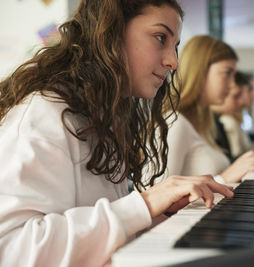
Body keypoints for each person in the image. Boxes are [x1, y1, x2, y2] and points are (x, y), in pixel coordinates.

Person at [0, 1, 234, 266]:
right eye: (160, 38)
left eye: (175, 46)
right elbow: (10, 249)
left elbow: (95, 236)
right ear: (112, 31)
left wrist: (157, 213)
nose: (173, 62)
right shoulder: (44, 113)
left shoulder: (101, 119)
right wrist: (144, 204)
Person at [148, 35, 254, 185]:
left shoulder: (203, 123)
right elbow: (154, 195)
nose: (231, 85)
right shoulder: (174, 122)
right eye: (227, 74)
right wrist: (224, 178)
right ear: (200, 72)